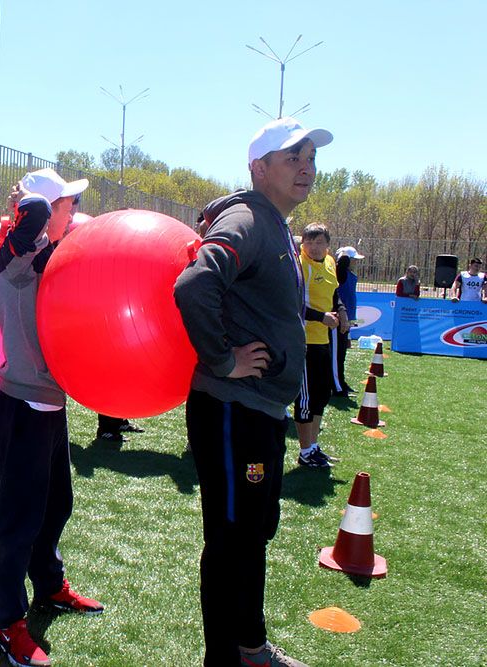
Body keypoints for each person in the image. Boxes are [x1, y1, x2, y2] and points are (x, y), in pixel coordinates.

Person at [174, 116, 332, 667]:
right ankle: (224, 659)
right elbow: (194, 284)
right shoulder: (247, 219)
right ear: (259, 167)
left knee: (254, 533)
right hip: (231, 411)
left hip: (261, 411)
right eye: (293, 157)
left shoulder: (275, 226)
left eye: (311, 157)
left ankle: (250, 647)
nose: (307, 167)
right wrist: (223, 359)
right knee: (231, 541)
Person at [0, 167, 103, 667]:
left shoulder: (51, 256)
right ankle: (10, 624)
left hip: (51, 402)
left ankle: (50, 586)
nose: (73, 213)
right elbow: (11, 250)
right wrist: (29, 212)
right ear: (42, 210)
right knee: (19, 520)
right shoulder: (12, 257)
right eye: (66, 204)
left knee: (57, 506)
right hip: (23, 405)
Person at [294, 224, 346, 467]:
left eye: (319, 242)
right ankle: (305, 453)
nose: (313, 247)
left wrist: (342, 312)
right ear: (302, 243)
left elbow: (334, 295)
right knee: (305, 400)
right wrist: (319, 317)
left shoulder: (330, 262)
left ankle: (314, 447)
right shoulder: (297, 265)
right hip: (302, 341)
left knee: (321, 395)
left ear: (328, 244)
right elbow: (291, 303)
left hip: (323, 340)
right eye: (309, 242)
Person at [332, 246, 363, 396]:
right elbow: (340, 267)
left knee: (342, 354)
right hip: (339, 319)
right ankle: (337, 385)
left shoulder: (350, 275)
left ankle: (341, 382)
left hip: (348, 319)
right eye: (353, 260)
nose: (356, 263)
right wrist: (343, 257)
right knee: (337, 355)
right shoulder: (341, 273)